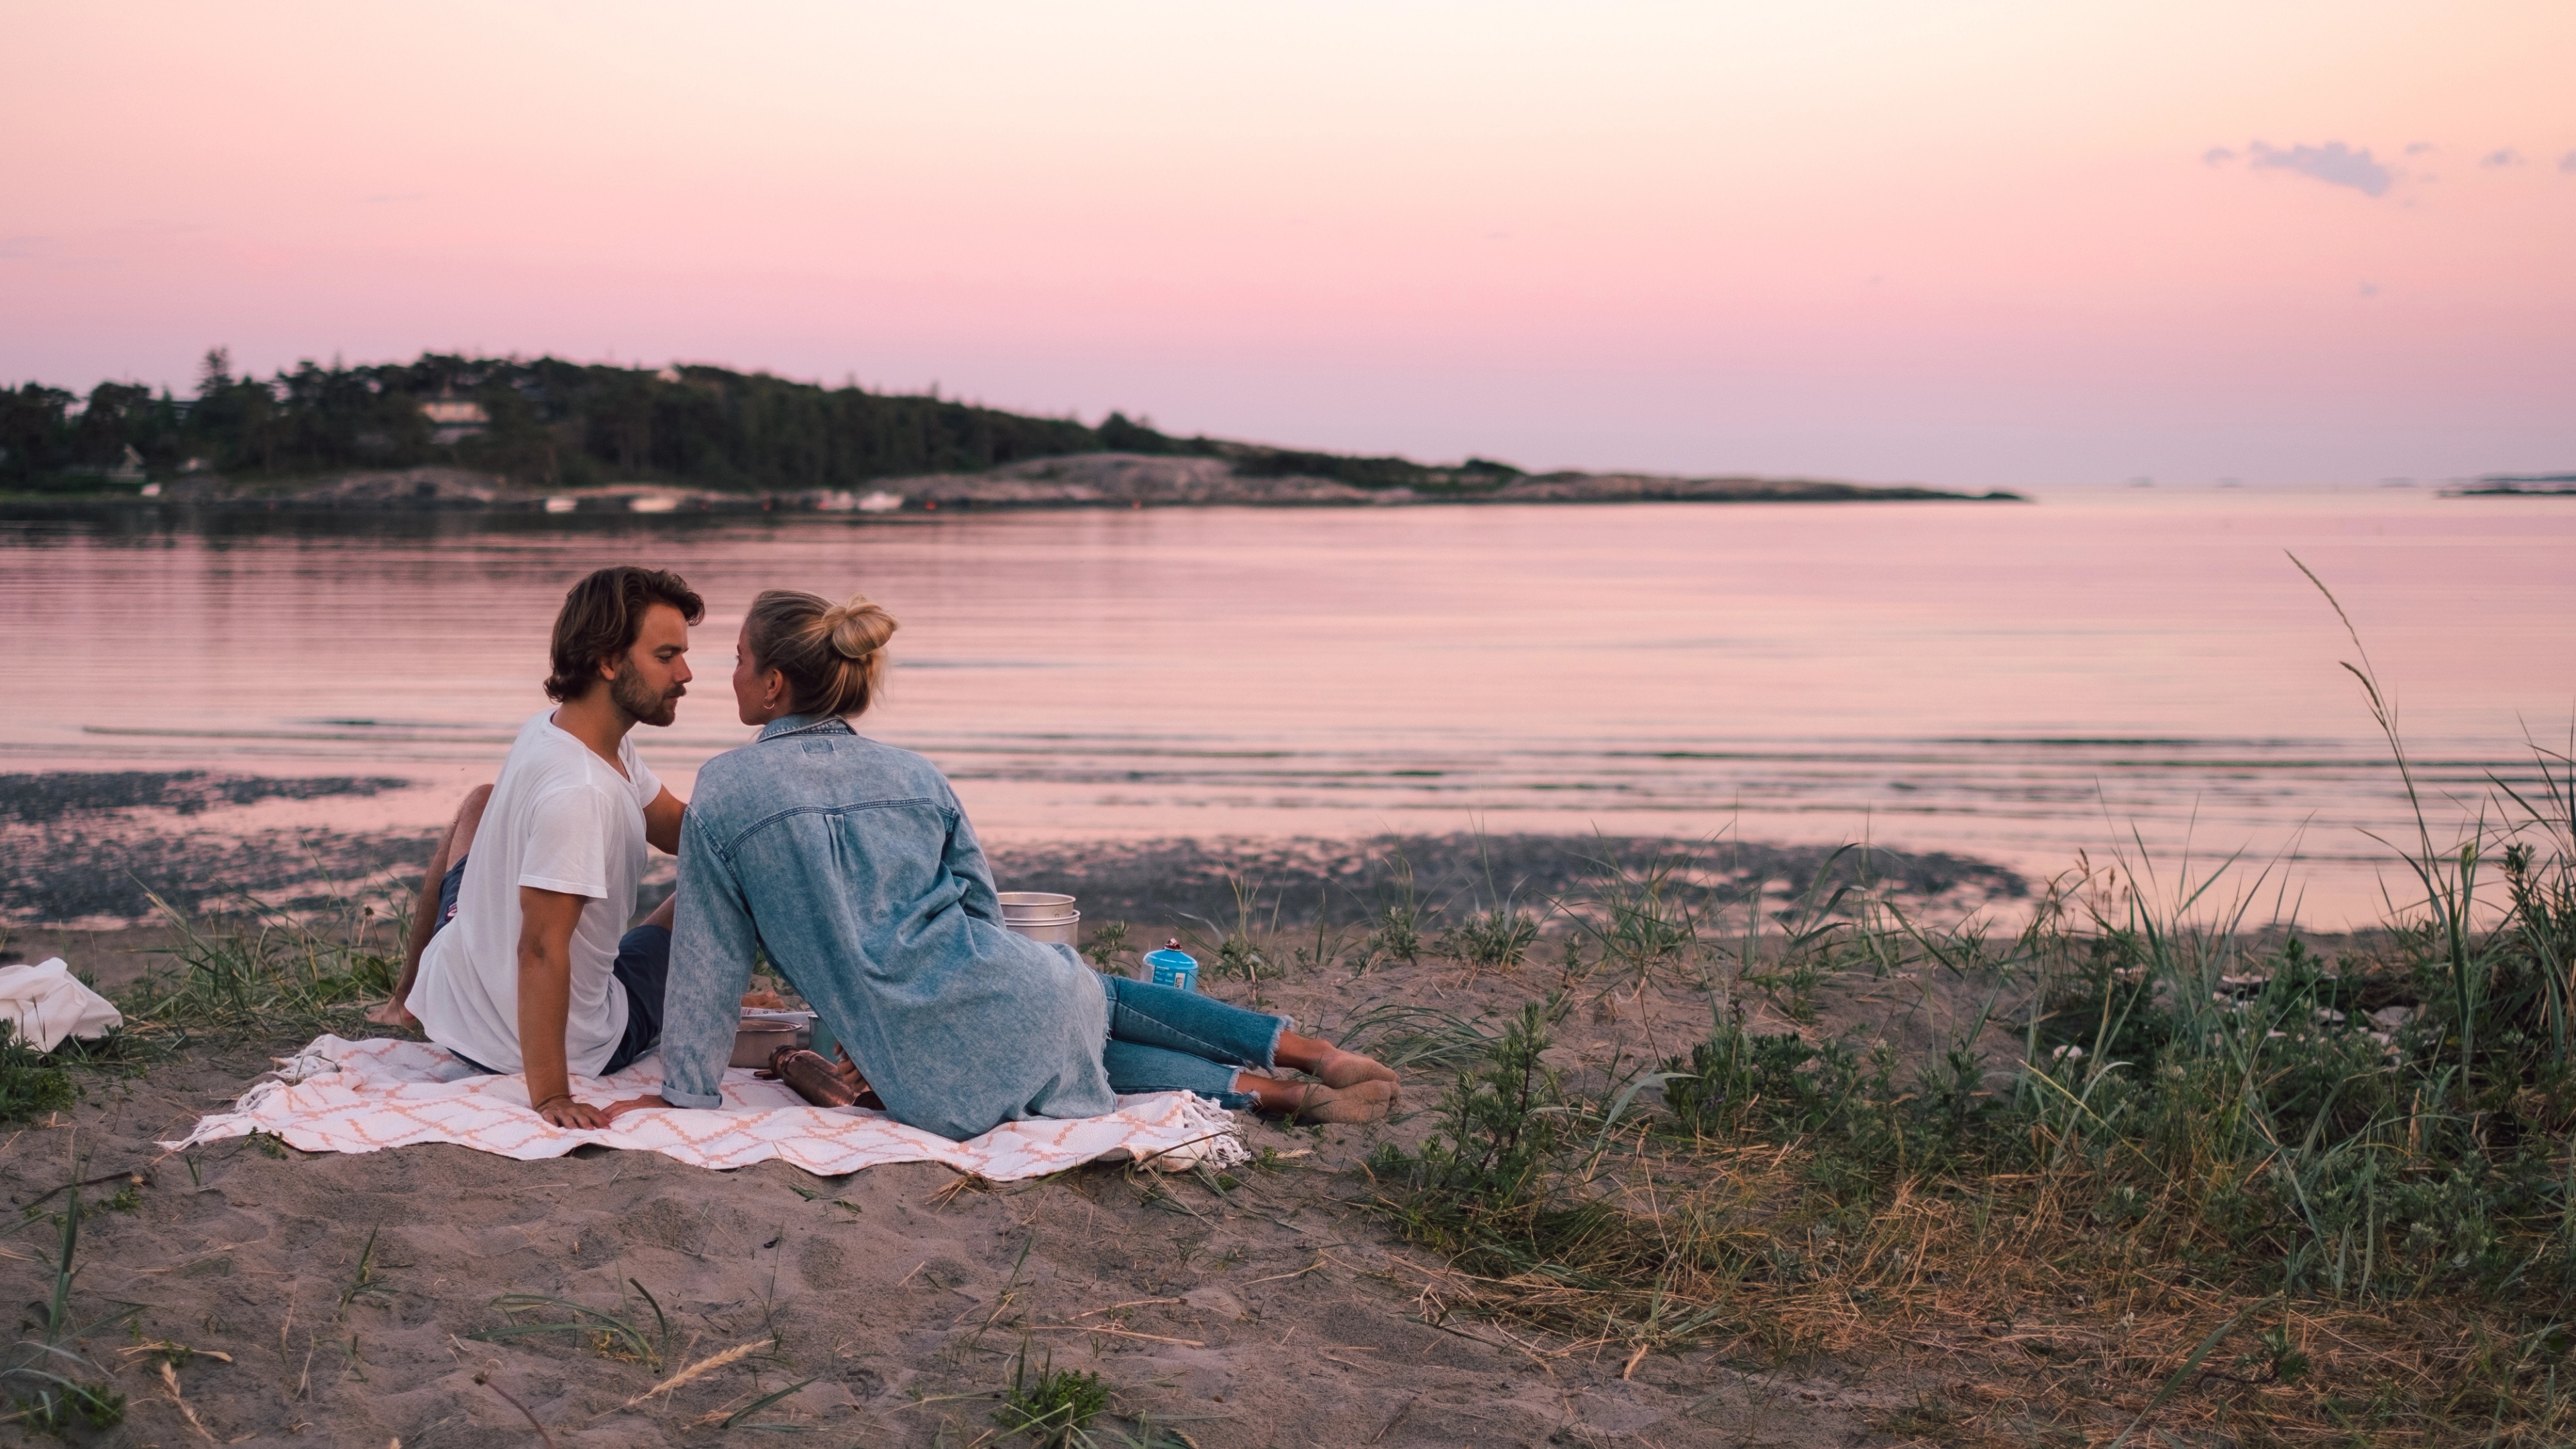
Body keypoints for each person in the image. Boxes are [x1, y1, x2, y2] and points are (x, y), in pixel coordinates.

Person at [610, 588, 1398, 1141]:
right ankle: (1311, 1055)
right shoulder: (916, 773)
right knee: (1077, 1006)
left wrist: (687, 1093)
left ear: (775, 682)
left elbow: (710, 958)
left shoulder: (726, 788)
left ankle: (1276, 1095)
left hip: (932, 1081)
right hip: (1015, 982)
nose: (729, 674)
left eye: (740, 658)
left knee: (1049, 1041)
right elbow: (979, 910)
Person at [377, 566, 701, 1129]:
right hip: (562, 1042)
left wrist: (754, 824)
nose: (685, 674)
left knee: (480, 801)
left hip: (461, 997)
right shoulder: (581, 792)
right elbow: (541, 949)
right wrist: (552, 1095)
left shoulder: (561, 729)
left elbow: (677, 828)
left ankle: (408, 998)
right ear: (608, 661)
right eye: (666, 656)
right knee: (713, 888)